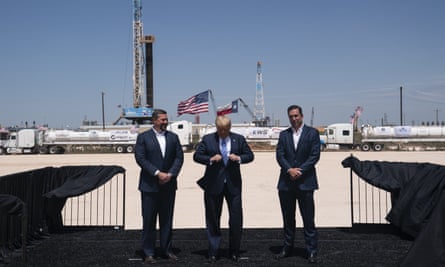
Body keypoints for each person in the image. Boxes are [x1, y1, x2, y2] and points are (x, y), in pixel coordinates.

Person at [193, 115, 254, 263]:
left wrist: (239, 158)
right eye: (220, 130)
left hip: (233, 185)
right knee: (213, 218)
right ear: (217, 128)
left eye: (226, 129)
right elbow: (197, 156)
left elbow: (250, 155)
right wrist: (210, 159)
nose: (223, 132)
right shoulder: (208, 139)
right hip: (213, 185)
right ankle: (214, 251)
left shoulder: (238, 139)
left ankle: (234, 251)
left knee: (236, 219)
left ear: (230, 128)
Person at [134, 109, 184, 264]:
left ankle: (166, 250)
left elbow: (179, 158)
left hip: (168, 185)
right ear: (154, 121)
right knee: (149, 220)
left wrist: (170, 174)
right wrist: (157, 173)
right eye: (162, 119)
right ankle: (149, 252)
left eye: (166, 119)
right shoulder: (143, 138)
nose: (165, 122)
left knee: (167, 220)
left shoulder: (173, 138)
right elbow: (141, 158)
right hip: (149, 186)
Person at [275, 105, 321, 264]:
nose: (294, 119)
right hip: (286, 184)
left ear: (302, 116)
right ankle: (287, 248)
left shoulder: (312, 133)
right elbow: (280, 155)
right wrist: (289, 170)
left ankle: (311, 251)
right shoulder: (283, 135)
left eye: (296, 116)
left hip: (306, 183)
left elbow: (314, 155)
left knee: (308, 219)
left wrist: (299, 171)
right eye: (291, 116)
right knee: (288, 219)